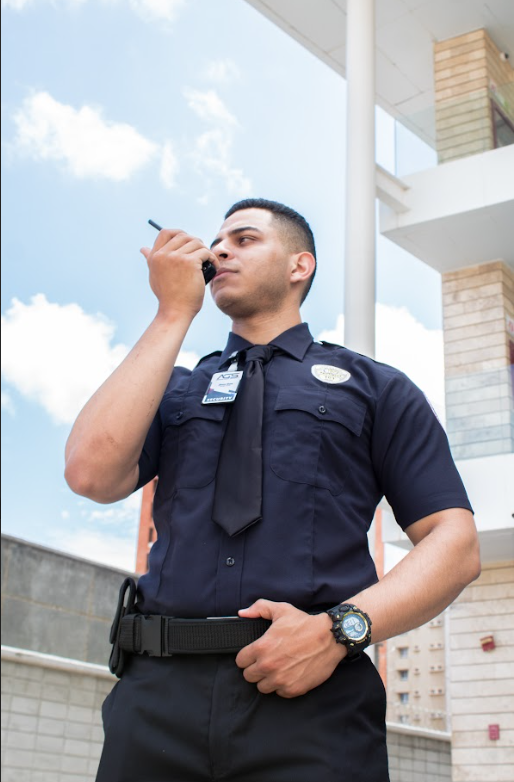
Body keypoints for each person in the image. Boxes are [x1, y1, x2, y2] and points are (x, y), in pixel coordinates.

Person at [65, 198, 480, 782]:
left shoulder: (376, 388)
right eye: (218, 241)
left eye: (245, 238)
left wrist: (340, 630)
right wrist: (170, 315)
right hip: (155, 698)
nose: (221, 249)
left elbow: (454, 543)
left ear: (299, 266)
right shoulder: (177, 387)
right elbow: (90, 474)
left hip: (313, 698)